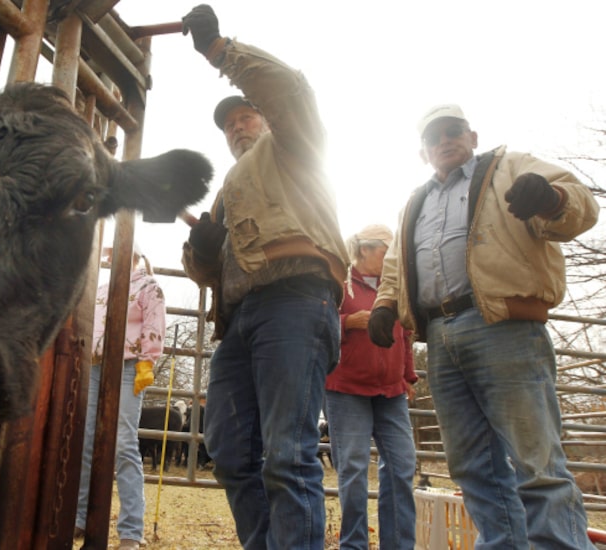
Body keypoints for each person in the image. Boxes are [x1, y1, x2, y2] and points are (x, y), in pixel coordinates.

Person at [368, 104, 599, 549]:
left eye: (453, 131)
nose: (445, 141)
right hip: (439, 337)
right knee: (472, 465)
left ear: (472, 137)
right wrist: (385, 304)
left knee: (536, 460)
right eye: (435, 138)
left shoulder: (511, 167)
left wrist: (552, 200)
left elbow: (580, 203)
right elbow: (397, 262)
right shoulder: (414, 201)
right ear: (424, 152)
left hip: (504, 324)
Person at [179, 5, 349, 548]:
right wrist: (202, 250)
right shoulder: (230, 187)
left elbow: (290, 89)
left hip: (296, 300)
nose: (235, 127)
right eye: (229, 125)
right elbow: (214, 272)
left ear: (267, 116)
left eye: (244, 116)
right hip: (241, 320)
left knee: (288, 453)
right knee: (227, 450)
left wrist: (221, 51)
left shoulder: (295, 145)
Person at [324, 224, 417, 550]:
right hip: (346, 387)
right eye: (386, 251)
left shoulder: (396, 287)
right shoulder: (338, 281)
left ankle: (399, 545)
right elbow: (319, 321)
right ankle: (354, 544)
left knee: (403, 465)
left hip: (391, 391)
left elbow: (405, 333)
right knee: (353, 468)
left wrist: (408, 376)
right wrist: (347, 322)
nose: (393, 258)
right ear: (364, 249)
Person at [75, 244, 166, 550]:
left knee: (123, 442)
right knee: (86, 437)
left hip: (129, 366)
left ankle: (130, 530)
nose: (111, 259)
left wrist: (146, 362)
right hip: (96, 366)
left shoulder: (149, 286)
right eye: (109, 255)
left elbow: (154, 325)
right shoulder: (102, 289)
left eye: (117, 254)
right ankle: (78, 517)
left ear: (135, 256)